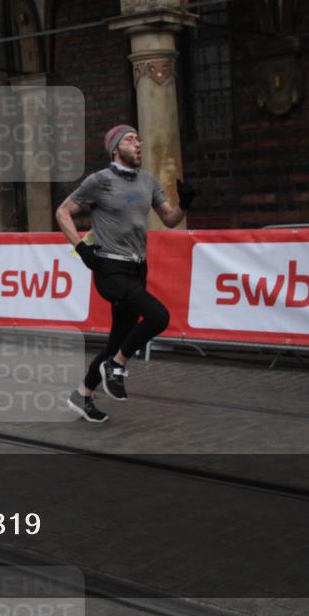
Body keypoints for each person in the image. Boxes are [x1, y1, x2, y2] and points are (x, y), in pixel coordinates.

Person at [55, 125, 195, 423]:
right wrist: (82, 249)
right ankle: (116, 366)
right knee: (159, 316)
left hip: (137, 268)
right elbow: (62, 212)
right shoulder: (99, 181)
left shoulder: (147, 181)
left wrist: (184, 204)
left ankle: (83, 393)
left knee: (116, 341)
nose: (138, 144)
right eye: (131, 140)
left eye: (139, 139)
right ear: (116, 148)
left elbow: (169, 219)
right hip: (109, 268)